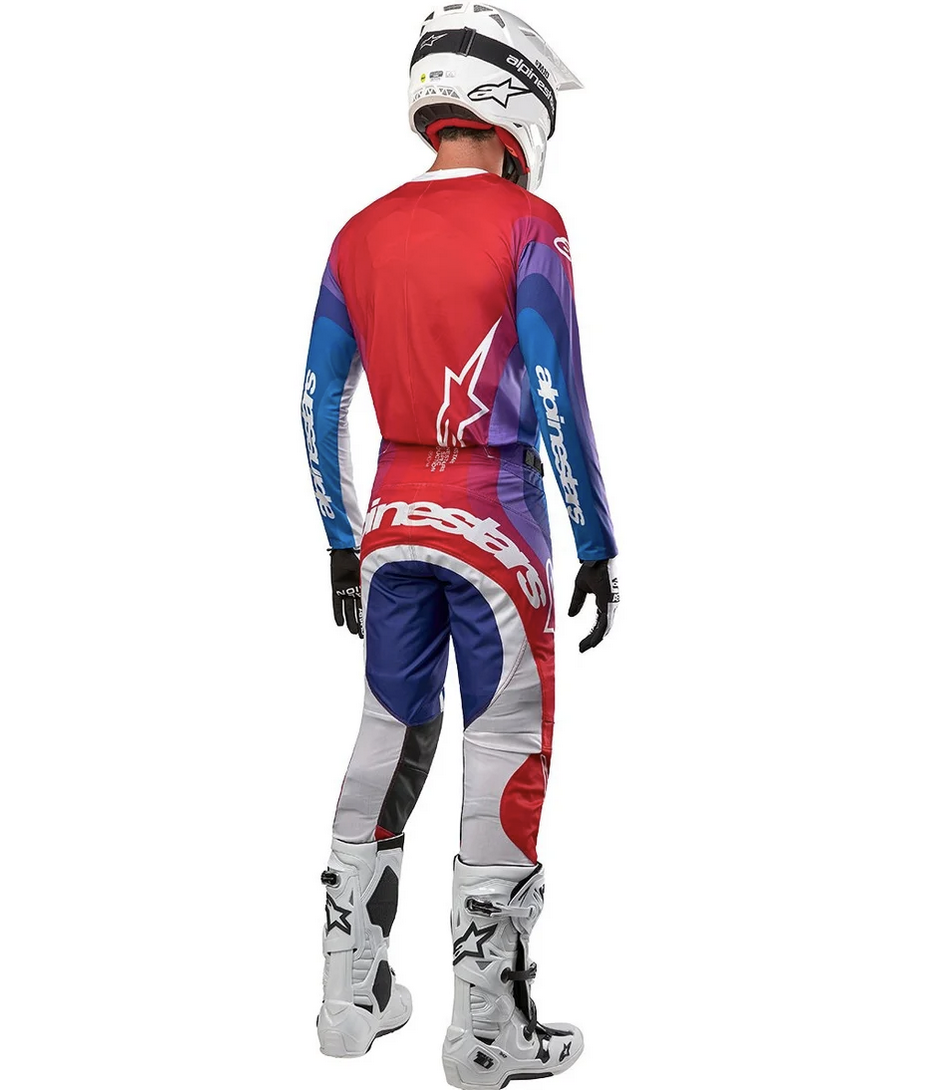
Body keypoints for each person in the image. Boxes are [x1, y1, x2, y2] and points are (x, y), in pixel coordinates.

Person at [301, 6, 619, 1087]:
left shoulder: (358, 232)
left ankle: (347, 999)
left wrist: (341, 537)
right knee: (504, 750)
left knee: (385, 734)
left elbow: (315, 399)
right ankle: (487, 1029)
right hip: (498, 525)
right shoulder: (531, 226)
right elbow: (554, 388)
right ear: (514, 103)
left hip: (390, 525)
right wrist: (596, 537)